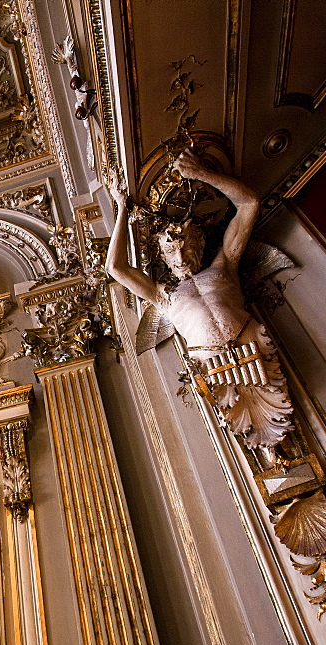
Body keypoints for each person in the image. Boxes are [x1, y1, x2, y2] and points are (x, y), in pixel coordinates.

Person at [105, 150, 293, 448]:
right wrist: (120, 207)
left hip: (252, 353)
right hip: (221, 373)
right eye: (171, 252)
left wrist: (200, 173)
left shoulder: (225, 264)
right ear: (164, 259)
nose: (179, 257)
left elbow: (249, 204)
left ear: (200, 244)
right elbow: (115, 268)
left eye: (186, 247)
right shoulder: (164, 298)